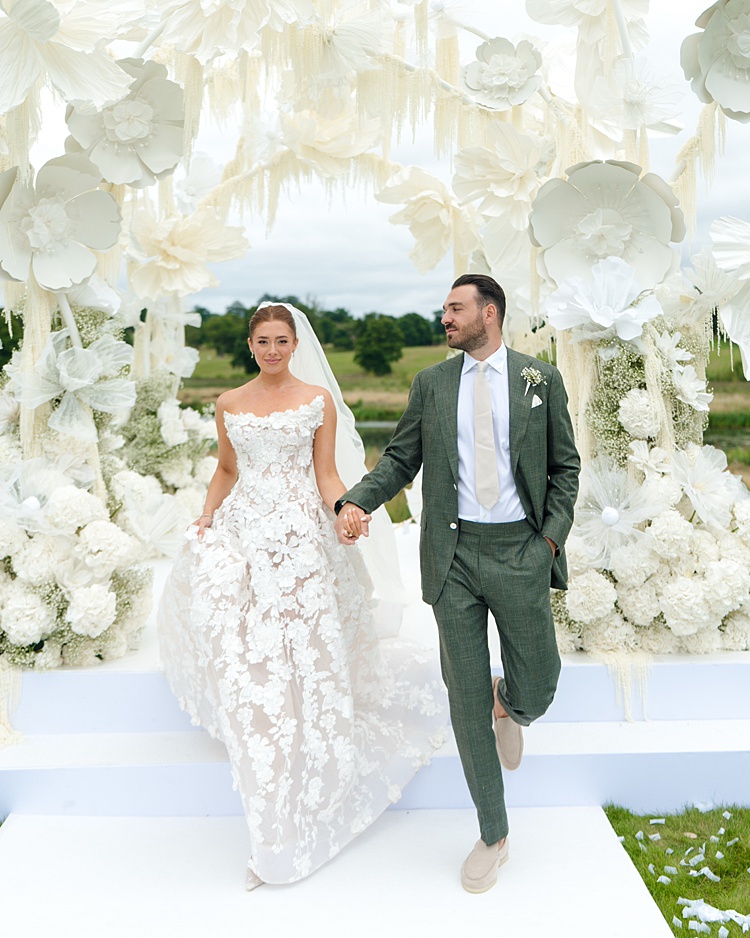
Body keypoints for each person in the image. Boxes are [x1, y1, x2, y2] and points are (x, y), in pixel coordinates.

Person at [157, 302, 446, 889]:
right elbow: (226, 468)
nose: (271, 349)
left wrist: (347, 510)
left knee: (305, 644)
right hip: (245, 533)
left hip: (301, 539)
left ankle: (314, 756)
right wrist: (207, 516)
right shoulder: (229, 403)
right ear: (250, 344)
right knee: (248, 646)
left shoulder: (316, 400)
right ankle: (262, 735)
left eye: (281, 340)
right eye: (262, 340)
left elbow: (327, 476)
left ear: (294, 343)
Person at [335, 274, 580, 894]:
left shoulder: (538, 380)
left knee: (542, 682)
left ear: (488, 313)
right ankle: (493, 834)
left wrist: (547, 541)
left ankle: (513, 703)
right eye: (445, 309)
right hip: (453, 557)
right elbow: (399, 458)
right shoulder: (432, 383)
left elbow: (564, 467)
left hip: (521, 551)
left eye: (455, 309)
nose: (444, 318)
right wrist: (356, 501)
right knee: (464, 702)